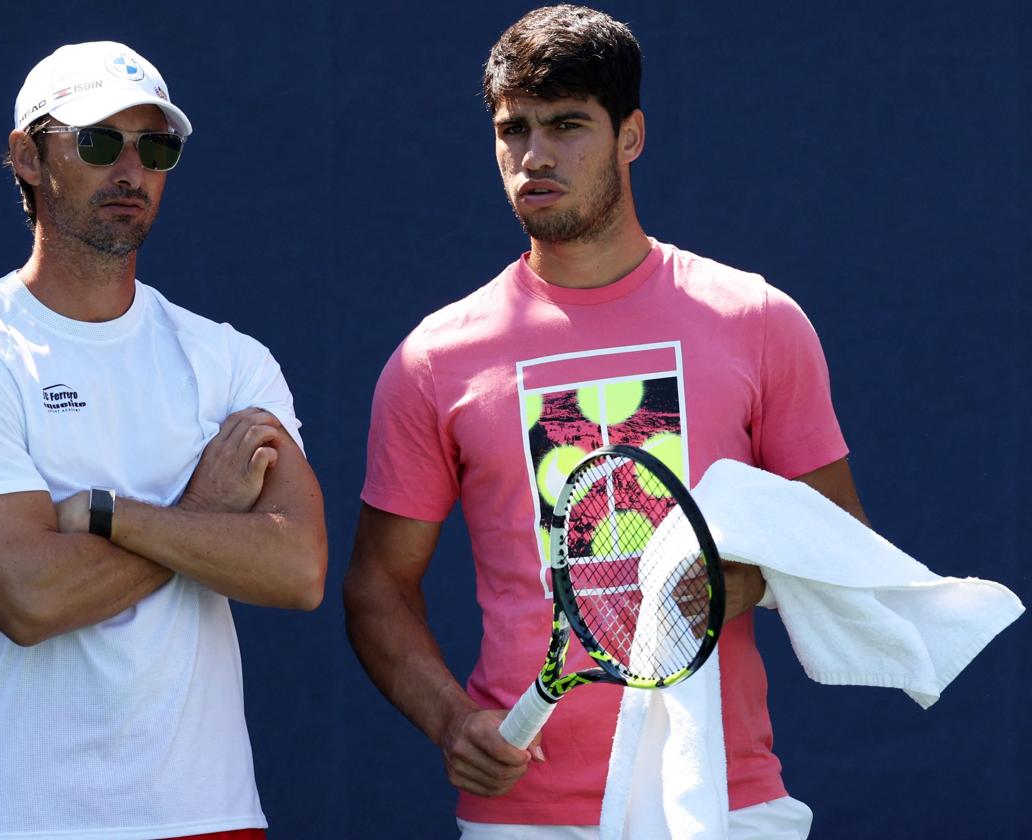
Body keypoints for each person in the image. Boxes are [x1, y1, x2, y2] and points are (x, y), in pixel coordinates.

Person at [343, 6, 867, 839]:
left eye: (568, 125)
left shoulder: (758, 320)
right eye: (513, 129)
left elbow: (839, 542)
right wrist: (451, 719)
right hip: (526, 812)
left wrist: (727, 586)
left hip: (727, 800)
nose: (536, 155)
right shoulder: (434, 359)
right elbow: (376, 586)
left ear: (632, 136)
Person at [0, 41, 326, 840]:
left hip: (212, 816)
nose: (130, 170)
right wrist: (204, 511)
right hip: (18, 821)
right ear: (28, 157)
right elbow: (30, 599)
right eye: (97, 142)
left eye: (154, 147)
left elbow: (296, 569)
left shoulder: (229, 358)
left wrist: (95, 515)